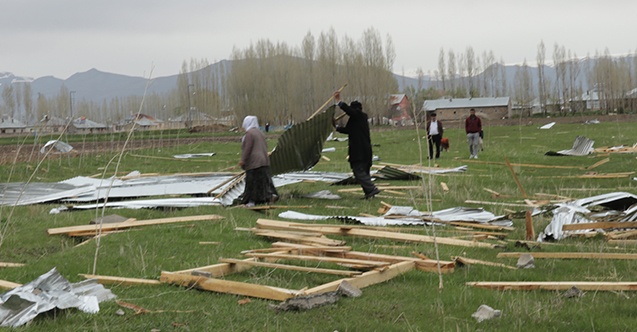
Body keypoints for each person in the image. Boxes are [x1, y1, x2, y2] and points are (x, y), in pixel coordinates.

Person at [333, 91, 380, 199]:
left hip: (359, 151)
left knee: (358, 172)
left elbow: (351, 112)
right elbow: (348, 130)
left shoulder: (359, 115)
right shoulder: (356, 120)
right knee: (364, 173)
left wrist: (339, 102)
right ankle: (369, 194)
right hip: (364, 151)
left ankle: (372, 189)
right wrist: (336, 127)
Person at [239, 115, 278, 207]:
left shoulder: (249, 134)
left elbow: (247, 148)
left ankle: (251, 201)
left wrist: (243, 160)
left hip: (254, 162)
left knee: (252, 183)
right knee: (263, 182)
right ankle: (269, 196)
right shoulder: (260, 133)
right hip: (264, 161)